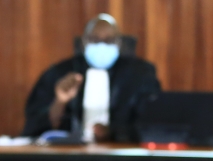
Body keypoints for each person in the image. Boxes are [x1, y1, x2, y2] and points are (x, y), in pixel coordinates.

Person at [22, 14, 161, 143]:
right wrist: (59, 102)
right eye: (94, 40)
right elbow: (34, 127)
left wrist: (113, 132)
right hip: (70, 158)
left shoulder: (141, 75)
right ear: (83, 42)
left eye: (109, 40)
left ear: (119, 43)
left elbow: (152, 125)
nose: (101, 45)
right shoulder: (60, 72)